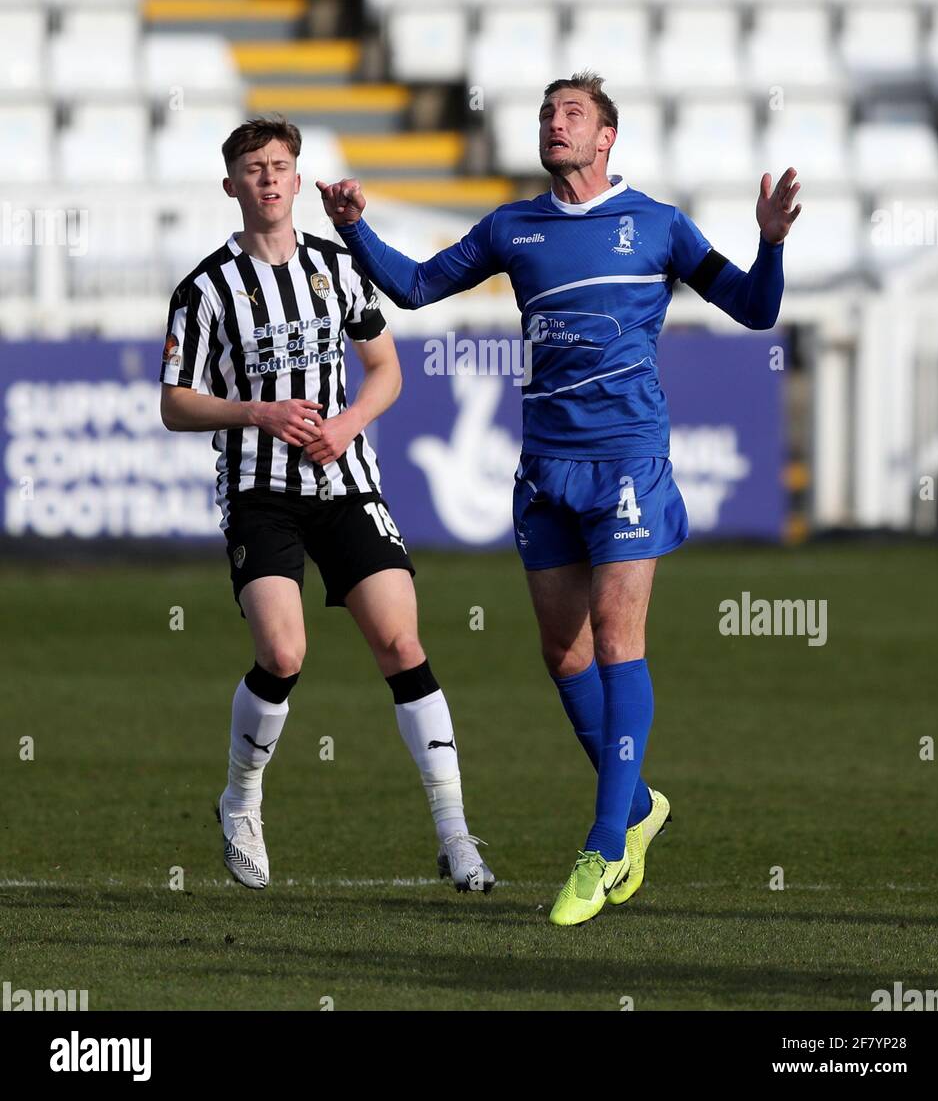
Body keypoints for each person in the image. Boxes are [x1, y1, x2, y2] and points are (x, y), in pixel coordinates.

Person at [318, 72, 800, 926]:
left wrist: (768, 245)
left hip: (626, 464)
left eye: (571, 113)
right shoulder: (514, 225)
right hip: (544, 467)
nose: (554, 124)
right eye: (546, 113)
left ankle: (604, 844)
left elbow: (755, 311)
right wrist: (355, 229)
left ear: (606, 136)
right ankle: (640, 805)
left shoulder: (656, 225)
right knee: (564, 655)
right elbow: (416, 286)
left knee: (618, 639)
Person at [159, 116, 494, 894]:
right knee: (283, 654)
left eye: (280, 165)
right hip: (260, 491)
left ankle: (453, 832)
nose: (269, 178)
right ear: (231, 185)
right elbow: (175, 404)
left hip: (345, 484)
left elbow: (385, 369)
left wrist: (345, 424)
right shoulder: (206, 289)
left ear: (298, 178)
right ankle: (241, 802)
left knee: (400, 643)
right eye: (253, 167)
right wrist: (258, 413)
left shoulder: (334, 269)